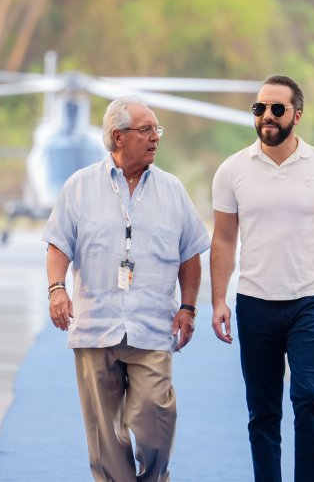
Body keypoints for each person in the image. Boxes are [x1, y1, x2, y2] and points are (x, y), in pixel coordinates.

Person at [43, 95, 210, 482]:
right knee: (105, 438)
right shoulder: (80, 187)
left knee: (155, 417)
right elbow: (58, 244)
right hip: (95, 327)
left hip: (152, 327)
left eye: (157, 130)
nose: (155, 137)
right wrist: (56, 288)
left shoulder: (172, 191)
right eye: (146, 130)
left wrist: (188, 307)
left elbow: (190, 254)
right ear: (118, 137)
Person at [210, 74, 314, 482]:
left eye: (277, 109)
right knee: (263, 412)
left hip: (308, 303)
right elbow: (223, 239)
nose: (267, 116)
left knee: (309, 398)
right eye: (259, 109)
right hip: (254, 304)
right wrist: (218, 299)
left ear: (298, 114)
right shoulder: (232, 170)